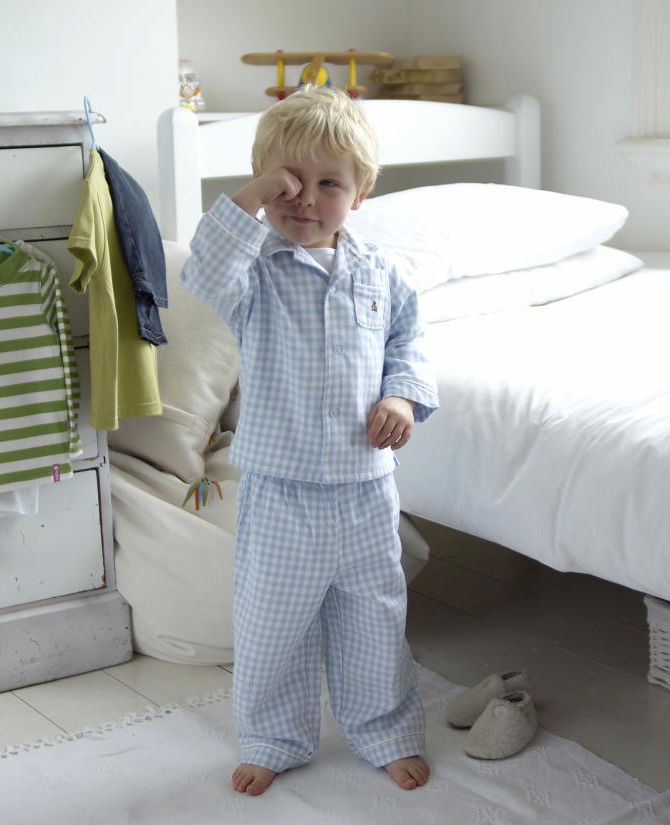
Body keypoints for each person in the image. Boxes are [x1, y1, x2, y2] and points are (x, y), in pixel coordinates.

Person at [181, 86, 438, 796]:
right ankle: (273, 737)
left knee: (374, 618)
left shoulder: (382, 275)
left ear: (359, 195)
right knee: (273, 626)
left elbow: (409, 345)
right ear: (267, 186)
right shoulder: (252, 273)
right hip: (281, 489)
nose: (305, 199)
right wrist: (256, 192)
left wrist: (401, 397)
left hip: (365, 490)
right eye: (289, 182)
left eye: (329, 184)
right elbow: (201, 267)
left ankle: (384, 728)